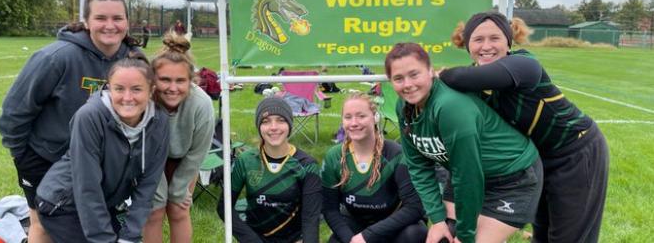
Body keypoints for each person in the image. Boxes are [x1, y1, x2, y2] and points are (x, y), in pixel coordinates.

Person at [440, 11, 609, 243]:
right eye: (478, 40)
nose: (486, 46)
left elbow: (457, 78)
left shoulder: (523, 64)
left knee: (569, 235)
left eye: (495, 38)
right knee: (542, 232)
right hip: (535, 159)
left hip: (575, 152)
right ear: (467, 44)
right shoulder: (474, 78)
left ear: (508, 41)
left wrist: (439, 75)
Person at [0, 0, 137, 243]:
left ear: (127, 21)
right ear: (86, 21)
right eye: (100, 18)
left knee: (89, 221)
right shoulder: (56, 57)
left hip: (96, 162)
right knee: (42, 220)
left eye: (117, 18)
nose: (110, 25)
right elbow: (14, 112)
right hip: (45, 157)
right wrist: (23, 156)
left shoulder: (134, 61)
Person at [385, 42, 543, 243]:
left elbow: (468, 176)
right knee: (443, 238)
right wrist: (438, 219)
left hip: (512, 178)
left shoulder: (450, 107)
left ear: (430, 71)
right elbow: (418, 167)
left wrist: (465, 236)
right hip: (468, 176)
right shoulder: (405, 106)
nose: (407, 84)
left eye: (414, 74)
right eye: (398, 78)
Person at [34, 56, 169, 242]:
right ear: (109, 88)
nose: (127, 97)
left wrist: (130, 235)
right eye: (119, 89)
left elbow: (148, 184)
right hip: (62, 203)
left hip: (106, 202)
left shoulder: (160, 121)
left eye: (137, 89)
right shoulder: (89, 117)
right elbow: (87, 186)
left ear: (151, 90)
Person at [321, 92, 428, 243]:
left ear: (375, 117)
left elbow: (415, 208)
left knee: (415, 233)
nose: (354, 123)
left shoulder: (397, 154)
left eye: (361, 116)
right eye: (348, 117)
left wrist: (368, 236)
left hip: (392, 225)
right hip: (356, 223)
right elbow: (330, 209)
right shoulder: (334, 156)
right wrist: (350, 239)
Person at [142, 32, 215, 242]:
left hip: (183, 159)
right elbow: (142, 149)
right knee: (153, 211)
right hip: (149, 159)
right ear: (153, 79)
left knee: (178, 209)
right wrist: (160, 193)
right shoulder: (145, 101)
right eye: (165, 80)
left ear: (191, 80)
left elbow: (197, 153)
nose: (172, 88)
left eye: (180, 81)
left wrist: (179, 189)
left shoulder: (201, 104)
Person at [218, 97, 322, 243]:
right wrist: (251, 239)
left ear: (290, 124)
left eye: (280, 120)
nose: (273, 127)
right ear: (259, 127)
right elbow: (224, 207)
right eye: (266, 121)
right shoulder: (246, 161)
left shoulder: (307, 165)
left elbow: (311, 218)